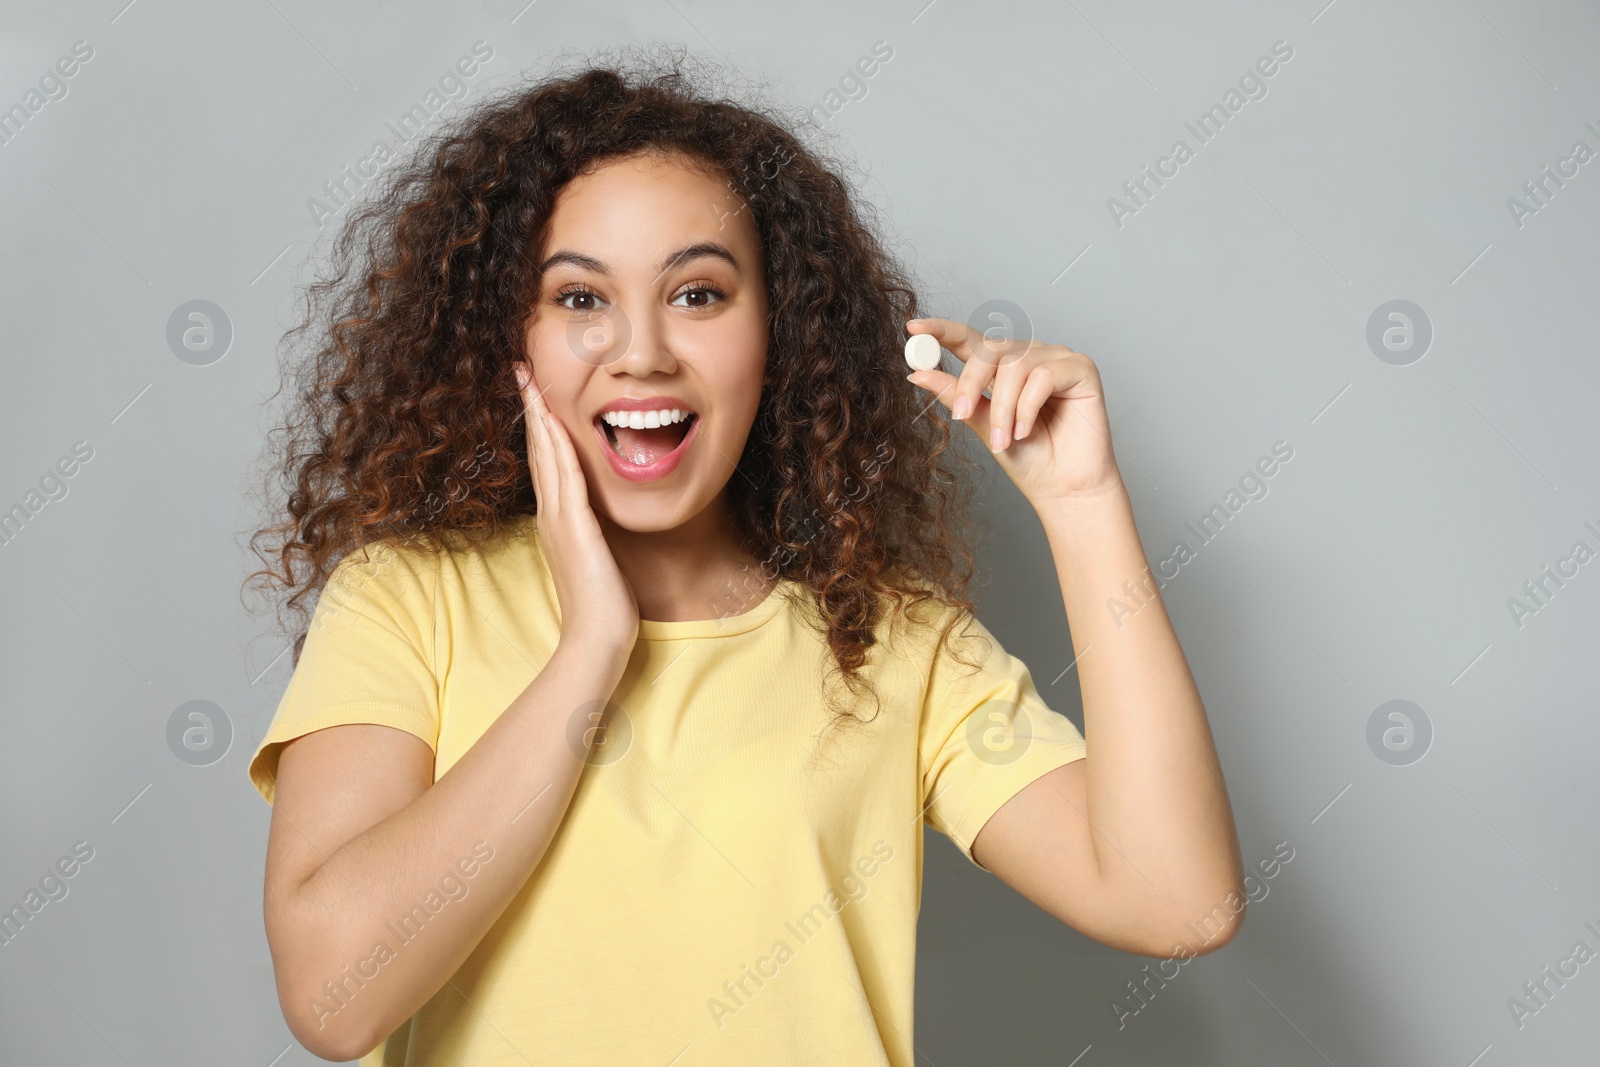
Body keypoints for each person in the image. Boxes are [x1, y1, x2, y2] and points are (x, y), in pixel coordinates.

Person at [242, 47, 1243, 1066]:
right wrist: (590, 646)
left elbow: (1179, 901)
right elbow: (333, 994)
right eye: (580, 299)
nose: (641, 352)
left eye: (698, 294)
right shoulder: (406, 602)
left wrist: (1083, 505)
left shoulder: (889, 637)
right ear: (515, 339)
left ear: (778, 336)